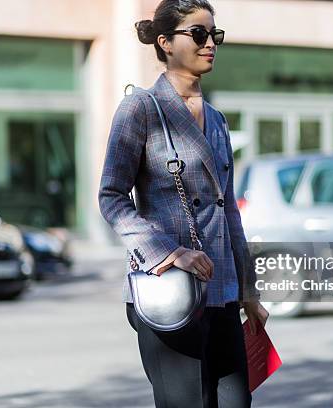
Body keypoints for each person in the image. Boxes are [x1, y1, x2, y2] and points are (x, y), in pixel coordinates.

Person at [98, 1, 269, 406]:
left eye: (215, 35)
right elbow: (111, 197)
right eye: (198, 33)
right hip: (169, 291)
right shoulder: (141, 108)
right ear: (165, 43)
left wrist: (248, 291)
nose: (210, 43)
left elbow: (228, 212)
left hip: (223, 292)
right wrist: (171, 253)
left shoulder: (218, 119)